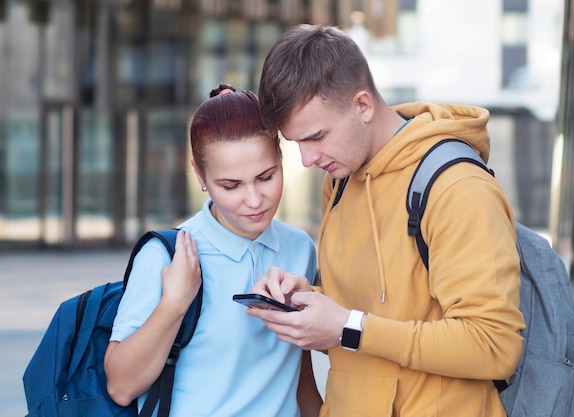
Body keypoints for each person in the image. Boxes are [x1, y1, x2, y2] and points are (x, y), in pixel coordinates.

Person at [247, 24, 526, 416]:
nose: (307, 159)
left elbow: (494, 345)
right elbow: (367, 307)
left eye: (316, 136)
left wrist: (349, 326)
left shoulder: (457, 187)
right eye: (297, 144)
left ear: (363, 105)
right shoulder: (341, 181)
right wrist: (305, 300)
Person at [104, 84, 323, 417]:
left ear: (281, 158)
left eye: (266, 177)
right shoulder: (169, 254)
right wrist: (175, 303)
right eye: (231, 186)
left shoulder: (300, 249)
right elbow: (120, 386)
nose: (253, 200)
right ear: (199, 174)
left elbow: (300, 380)